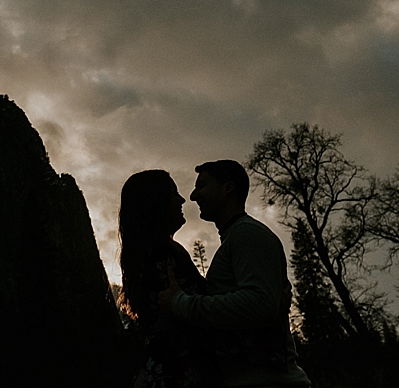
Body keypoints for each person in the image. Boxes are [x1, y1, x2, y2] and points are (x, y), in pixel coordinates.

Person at [158, 160, 311, 386]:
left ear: (228, 188)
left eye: (202, 186)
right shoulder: (237, 238)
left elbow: (260, 304)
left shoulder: (248, 234)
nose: (193, 196)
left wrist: (181, 304)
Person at [118, 170, 219, 387]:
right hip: (178, 376)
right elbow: (206, 316)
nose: (182, 199)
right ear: (156, 203)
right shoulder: (165, 254)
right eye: (174, 194)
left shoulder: (146, 256)